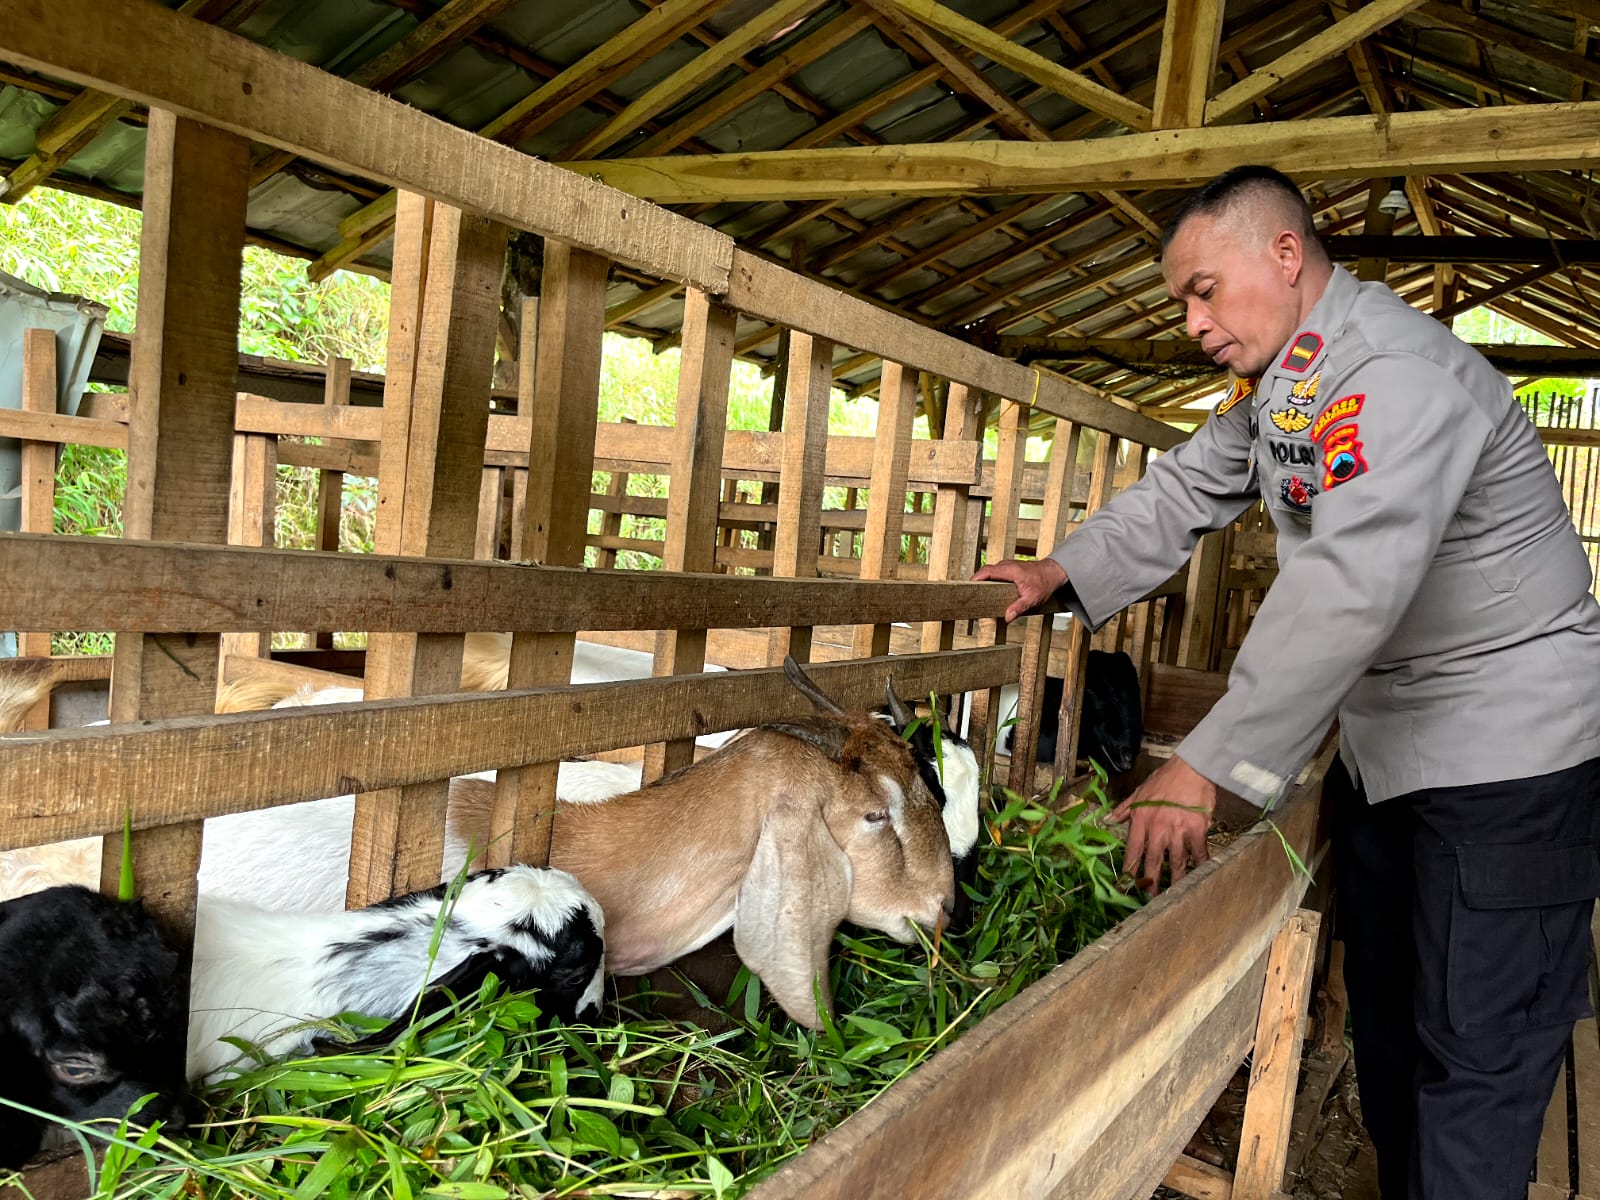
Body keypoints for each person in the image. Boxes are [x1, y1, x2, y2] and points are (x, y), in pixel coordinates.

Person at [974, 163, 1600, 1199]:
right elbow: (1192, 481)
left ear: (1283, 253)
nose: (1190, 322)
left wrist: (1204, 768)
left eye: (1201, 290)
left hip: (1507, 761)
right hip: (1393, 750)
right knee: (1395, 1019)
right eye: (1179, 300)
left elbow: (1350, 586)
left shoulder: (1400, 375)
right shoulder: (1295, 384)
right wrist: (1065, 571)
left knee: (1478, 1052)